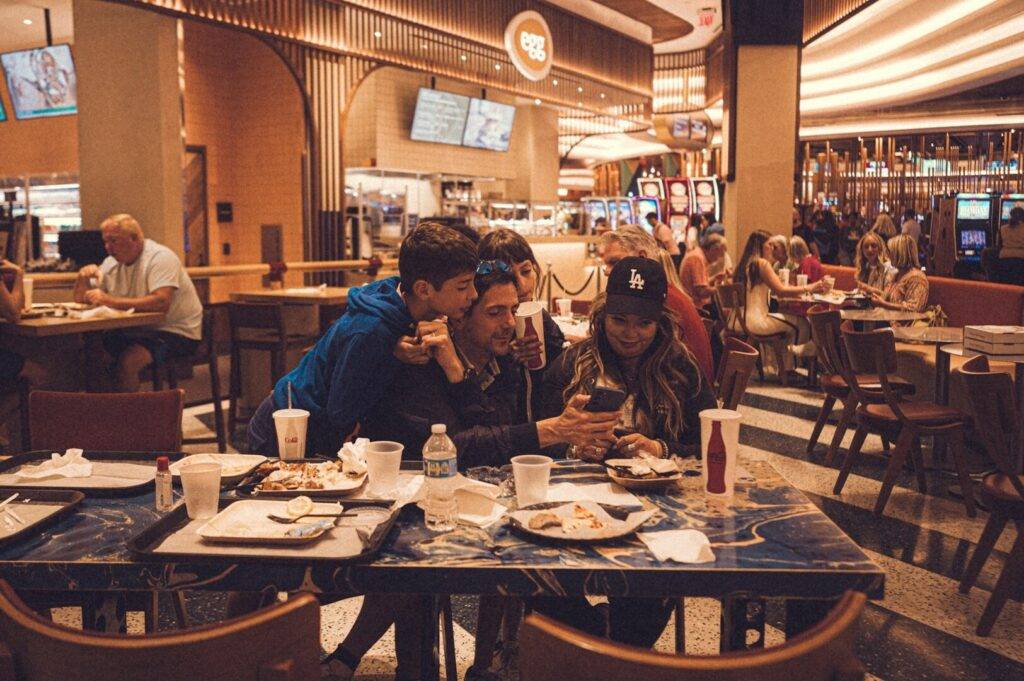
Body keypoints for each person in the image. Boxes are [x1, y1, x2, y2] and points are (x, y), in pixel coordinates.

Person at [332, 267, 620, 681]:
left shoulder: (505, 363)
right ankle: (383, 663)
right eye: (495, 312)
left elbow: (499, 438)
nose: (510, 324)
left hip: (480, 504)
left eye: (513, 310)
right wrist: (549, 429)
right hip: (399, 504)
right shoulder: (421, 363)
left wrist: (573, 435)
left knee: (523, 534)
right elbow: (457, 447)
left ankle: (487, 663)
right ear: (460, 316)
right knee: (420, 557)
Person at [538, 257, 717, 647]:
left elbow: (709, 441)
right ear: (602, 317)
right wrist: (572, 444)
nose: (631, 333)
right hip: (575, 506)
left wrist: (661, 448)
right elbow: (535, 435)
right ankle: (604, 644)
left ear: (661, 323)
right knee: (534, 580)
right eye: (619, 320)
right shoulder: (573, 364)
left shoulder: (681, 369)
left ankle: (615, 650)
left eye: (644, 323)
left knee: (650, 590)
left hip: (660, 512)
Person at [246, 222, 479, 457]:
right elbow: (341, 412)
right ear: (423, 289)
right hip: (284, 428)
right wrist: (392, 355)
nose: (473, 294)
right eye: (462, 287)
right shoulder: (371, 331)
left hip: (306, 425)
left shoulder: (397, 301)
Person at [73, 214, 203, 392]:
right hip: (139, 330)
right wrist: (82, 278)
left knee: (129, 361)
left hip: (176, 332)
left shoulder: (160, 257)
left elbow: (161, 302)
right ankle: (105, 412)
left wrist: (109, 300)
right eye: (106, 241)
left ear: (134, 238)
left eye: (113, 241)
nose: (108, 248)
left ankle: (131, 418)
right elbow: (82, 300)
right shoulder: (111, 263)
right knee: (90, 354)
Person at [599, 226, 714, 380]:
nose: (606, 270)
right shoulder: (667, 291)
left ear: (641, 257)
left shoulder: (661, 300)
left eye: (614, 262)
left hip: (684, 390)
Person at [477, 228, 566, 418]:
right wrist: (508, 359)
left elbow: (562, 366)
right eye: (509, 276)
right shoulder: (479, 324)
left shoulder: (539, 316)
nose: (522, 285)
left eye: (526, 271)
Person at [732, 230, 826, 374]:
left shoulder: (747, 264)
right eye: (769, 245)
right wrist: (811, 287)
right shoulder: (762, 264)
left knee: (791, 325)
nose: (772, 248)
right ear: (761, 246)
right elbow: (781, 290)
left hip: (743, 319)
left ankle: (785, 367)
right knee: (802, 324)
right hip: (757, 321)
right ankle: (790, 369)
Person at [872, 234, 929, 312]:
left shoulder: (917, 278)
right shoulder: (895, 275)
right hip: (888, 320)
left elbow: (914, 309)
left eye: (890, 252)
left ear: (900, 254)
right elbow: (884, 298)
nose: (887, 255)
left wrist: (883, 304)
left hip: (904, 323)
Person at [679, 233, 728, 311]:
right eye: (720, 254)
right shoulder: (697, 258)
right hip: (696, 308)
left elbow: (699, 285)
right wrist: (722, 289)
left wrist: (713, 279)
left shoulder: (697, 254)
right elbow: (702, 292)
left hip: (695, 304)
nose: (719, 258)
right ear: (713, 249)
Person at [853, 231, 893, 296]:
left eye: (874, 246)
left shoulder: (888, 267)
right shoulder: (865, 267)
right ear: (862, 251)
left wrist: (870, 290)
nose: (870, 250)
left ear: (879, 248)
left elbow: (889, 296)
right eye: (866, 247)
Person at [997, 206, 1024, 285]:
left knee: (1007, 284)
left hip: (1004, 257)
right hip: (1021, 258)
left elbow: (999, 245)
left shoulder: (1002, 228)